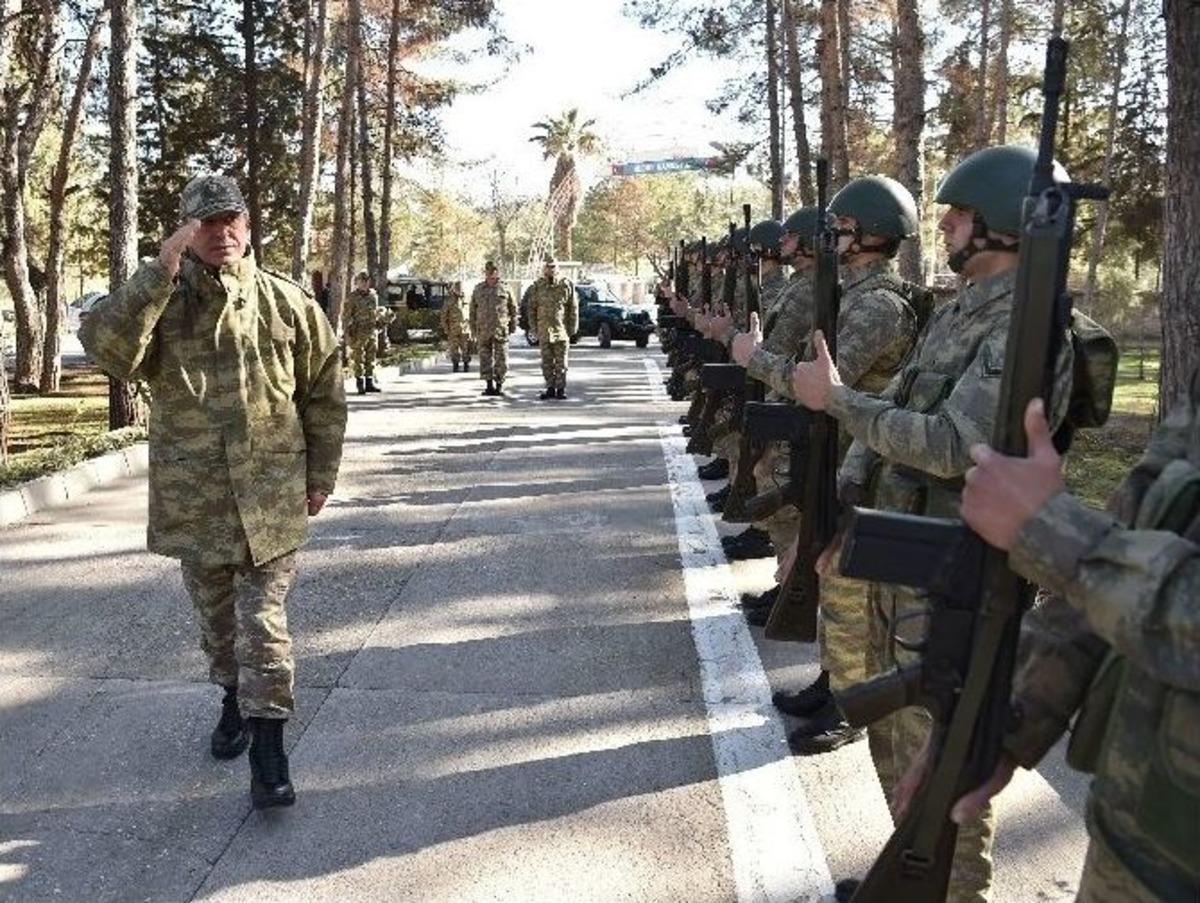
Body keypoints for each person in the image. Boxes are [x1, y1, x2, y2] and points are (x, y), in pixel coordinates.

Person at [790, 146, 1076, 902]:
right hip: (906, 556)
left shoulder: (1028, 331)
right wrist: (847, 506)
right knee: (898, 746)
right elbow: (901, 407)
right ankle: (913, 883)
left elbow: (954, 444)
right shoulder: (958, 311)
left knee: (945, 767)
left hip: (960, 575)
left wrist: (838, 401)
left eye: (959, 214)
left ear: (1003, 225)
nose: (943, 225)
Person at [79, 174, 347, 810]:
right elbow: (107, 351)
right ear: (185, 232)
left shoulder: (287, 303)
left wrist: (320, 475)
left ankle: (269, 750)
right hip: (196, 502)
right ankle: (233, 698)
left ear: (247, 228)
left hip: (270, 499)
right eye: (206, 223)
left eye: (231, 220)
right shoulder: (163, 303)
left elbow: (324, 393)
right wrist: (157, 273)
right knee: (220, 628)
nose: (221, 232)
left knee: (264, 626)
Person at [940, 378, 1200, 903]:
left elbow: (1097, 552)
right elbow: (1144, 521)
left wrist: (1063, 540)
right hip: (1135, 843)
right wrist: (1011, 718)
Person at [731, 177, 921, 754]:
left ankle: (850, 705)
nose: (829, 237)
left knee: (849, 590)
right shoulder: (846, 294)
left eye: (841, 228)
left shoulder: (878, 307)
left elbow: (821, 383)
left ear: (871, 236)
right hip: (834, 447)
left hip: (861, 456)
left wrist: (756, 359)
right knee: (829, 577)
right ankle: (832, 680)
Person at [524, 255, 578, 400]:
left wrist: (572, 329)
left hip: (561, 330)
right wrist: (534, 328)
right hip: (544, 330)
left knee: (561, 362)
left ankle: (560, 389)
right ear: (544, 269)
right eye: (548, 267)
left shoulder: (566, 284)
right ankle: (550, 388)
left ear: (557, 268)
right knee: (546, 362)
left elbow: (573, 308)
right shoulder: (537, 286)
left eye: (553, 267)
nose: (551, 269)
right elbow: (531, 309)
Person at [470, 260, 517, 397]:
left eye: (493, 271)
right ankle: (489, 385)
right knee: (485, 359)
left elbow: (513, 308)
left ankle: (499, 385)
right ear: (485, 272)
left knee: (501, 359)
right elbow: (473, 310)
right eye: (488, 271)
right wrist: (473, 328)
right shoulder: (478, 289)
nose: (491, 274)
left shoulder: (505, 288)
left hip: (500, 329)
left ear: (497, 272)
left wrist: (512, 325)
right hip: (483, 330)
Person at [344, 271, 390, 394]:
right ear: (357, 282)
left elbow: (376, 311)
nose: (364, 283)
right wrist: (347, 332)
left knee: (371, 357)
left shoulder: (373, 295)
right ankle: (360, 383)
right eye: (361, 281)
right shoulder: (352, 297)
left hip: (371, 330)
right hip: (358, 331)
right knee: (358, 358)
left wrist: (382, 317)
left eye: (366, 281)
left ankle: (369, 383)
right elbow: (347, 316)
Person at [439, 281, 472, 372]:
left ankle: (466, 364)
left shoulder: (467, 300)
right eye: (458, 289)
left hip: (465, 329)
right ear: (454, 289)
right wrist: (446, 329)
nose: (460, 291)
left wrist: (473, 328)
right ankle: (455, 364)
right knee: (454, 348)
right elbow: (443, 316)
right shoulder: (449, 301)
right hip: (453, 329)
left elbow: (472, 313)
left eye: (461, 289)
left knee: (466, 348)